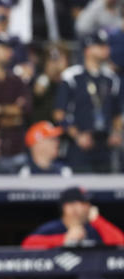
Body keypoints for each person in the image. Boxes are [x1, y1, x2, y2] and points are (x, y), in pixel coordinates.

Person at [53, 31, 123, 173]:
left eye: (106, 45)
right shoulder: (72, 76)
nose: (106, 49)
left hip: (105, 143)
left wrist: (117, 132)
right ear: (88, 49)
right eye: (100, 45)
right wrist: (77, 135)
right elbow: (59, 113)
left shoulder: (112, 78)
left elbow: (117, 113)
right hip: (79, 144)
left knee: (106, 189)